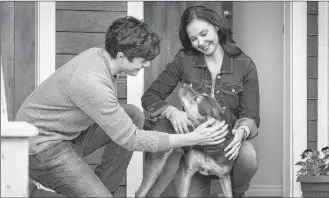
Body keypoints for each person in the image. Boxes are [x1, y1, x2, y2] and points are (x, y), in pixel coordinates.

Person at [15, 16, 229, 197]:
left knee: (133, 115)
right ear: (121, 56)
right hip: (41, 147)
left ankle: (102, 191)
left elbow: (122, 124)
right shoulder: (91, 82)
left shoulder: (99, 55)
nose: (146, 65)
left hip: (66, 134)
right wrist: (191, 138)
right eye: (143, 60)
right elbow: (131, 139)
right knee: (130, 128)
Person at [141, 5, 260, 198]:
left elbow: (251, 116)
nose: (201, 42)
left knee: (248, 156)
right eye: (194, 39)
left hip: (225, 141)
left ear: (216, 26)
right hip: (193, 144)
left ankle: (236, 193)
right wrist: (172, 112)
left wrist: (241, 131)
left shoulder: (244, 65)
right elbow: (150, 96)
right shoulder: (184, 59)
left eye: (204, 33)